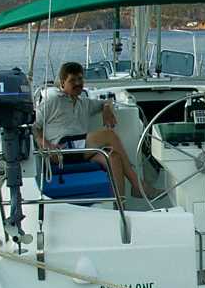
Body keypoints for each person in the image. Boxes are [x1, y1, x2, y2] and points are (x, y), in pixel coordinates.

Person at [33, 62, 154, 199]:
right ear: (62, 83)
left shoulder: (84, 103)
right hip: (61, 149)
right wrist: (44, 143)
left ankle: (120, 206)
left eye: (80, 79)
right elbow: (34, 125)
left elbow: (107, 101)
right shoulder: (53, 101)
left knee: (114, 158)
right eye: (72, 80)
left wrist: (106, 108)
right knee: (108, 135)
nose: (78, 83)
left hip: (80, 149)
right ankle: (138, 185)